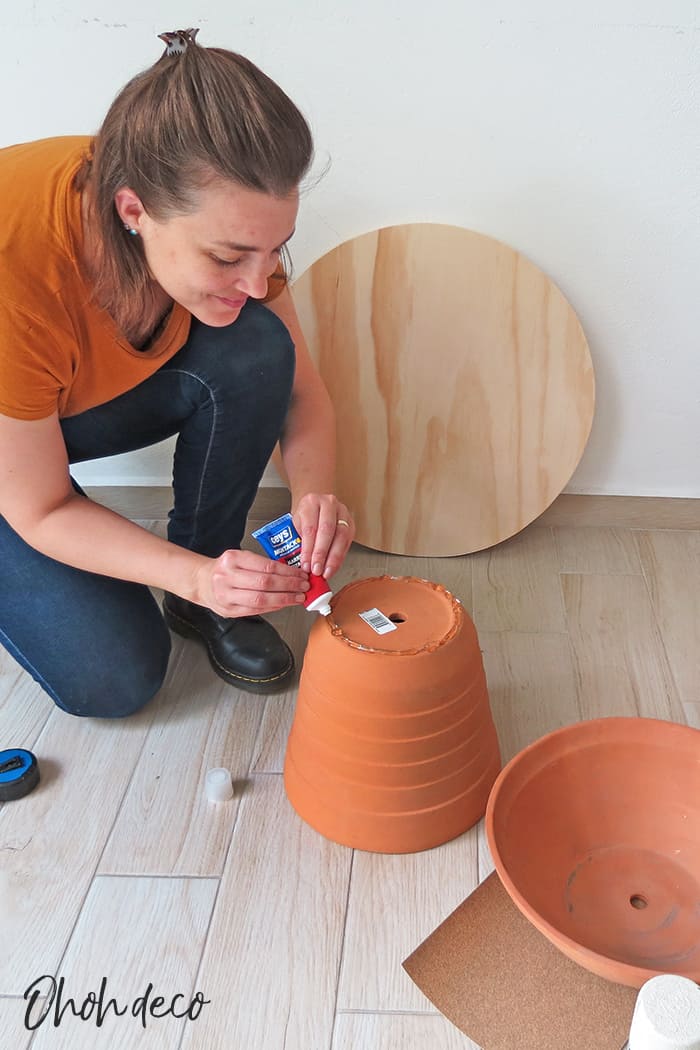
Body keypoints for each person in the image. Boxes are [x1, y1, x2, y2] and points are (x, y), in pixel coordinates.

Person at [0, 28, 355, 718]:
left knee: (255, 345)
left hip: (47, 408)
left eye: (275, 249)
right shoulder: (17, 267)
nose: (260, 281)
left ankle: (204, 601)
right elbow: (38, 506)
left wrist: (315, 496)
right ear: (133, 211)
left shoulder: (217, 209)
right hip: (13, 450)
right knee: (114, 680)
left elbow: (301, 391)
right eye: (229, 258)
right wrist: (194, 576)